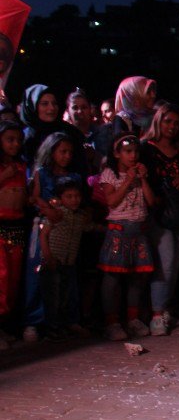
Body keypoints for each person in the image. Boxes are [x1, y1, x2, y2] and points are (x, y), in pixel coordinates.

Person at [141, 104, 179, 335]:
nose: (172, 126)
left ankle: (164, 310)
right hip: (158, 213)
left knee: (174, 266)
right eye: (168, 121)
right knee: (165, 262)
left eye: (176, 123)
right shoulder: (146, 149)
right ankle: (155, 314)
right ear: (158, 121)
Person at [23, 132, 82, 342]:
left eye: (69, 152)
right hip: (45, 228)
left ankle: (62, 320)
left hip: (66, 233)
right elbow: (35, 197)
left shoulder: (74, 177)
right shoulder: (42, 173)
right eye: (62, 151)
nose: (66, 156)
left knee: (65, 277)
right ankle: (34, 321)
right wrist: (47, 209)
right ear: (51, 151)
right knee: (39, 273)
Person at [98, 134, 156, 341]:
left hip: (138, 231)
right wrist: (128, 181)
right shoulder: (109, 174)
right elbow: (112, 201)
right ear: (117, 153)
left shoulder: (140, 174)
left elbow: (150, 201)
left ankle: (132, 319)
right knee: (112, 278)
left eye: (135, 152)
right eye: (128, 152)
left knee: (137, 277)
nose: (133, 156)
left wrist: (142, 180)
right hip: (118, 231)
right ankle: (111, 322)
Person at [39, 178, 102, 340]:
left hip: (69, 262)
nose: (74, 200)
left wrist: (110, 229)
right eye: (69, 196)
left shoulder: (80, 216)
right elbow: (43, 234)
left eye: (76, 196)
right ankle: (51, 329)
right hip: (54, 260)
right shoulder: (57, 213)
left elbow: (91, 227)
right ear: (61, 198)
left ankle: (63, 325)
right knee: (53, 296)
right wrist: (47, 256)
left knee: (66, 296)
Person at [0, 121, 26, 348]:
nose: (15, 144)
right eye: (9, 139)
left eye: (18, 139)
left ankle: (5, 327)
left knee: (13, 280)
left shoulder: (21, 166)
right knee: (1, 277)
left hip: (16, 227)